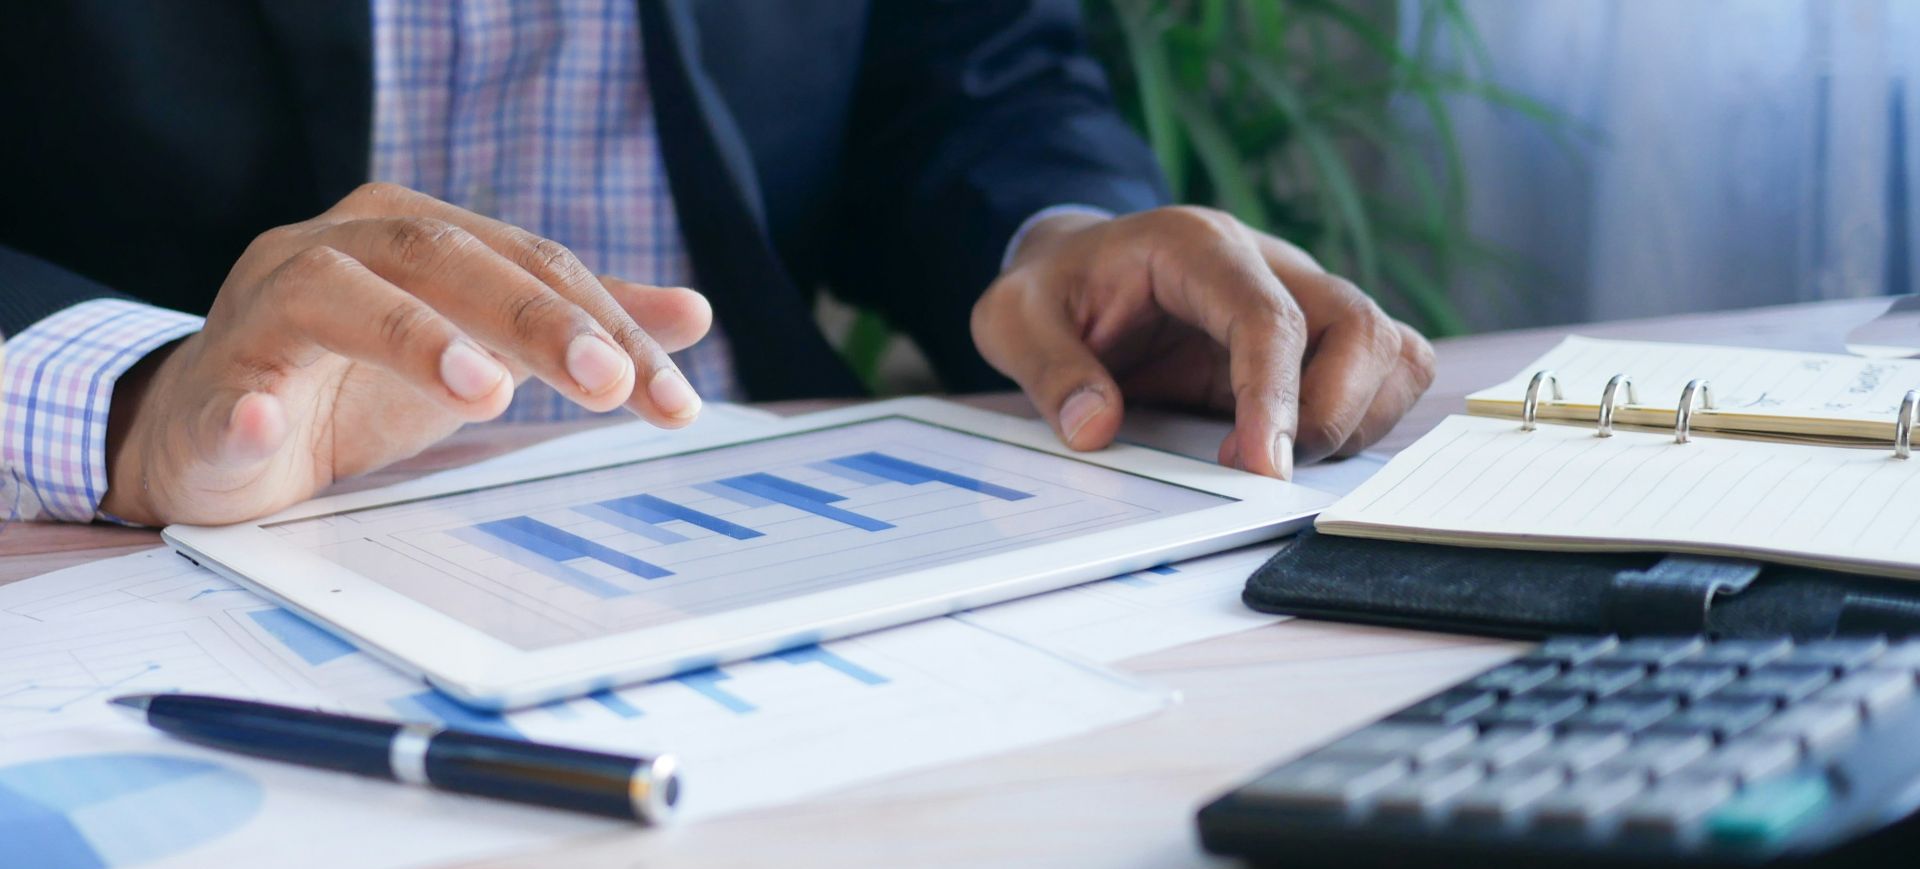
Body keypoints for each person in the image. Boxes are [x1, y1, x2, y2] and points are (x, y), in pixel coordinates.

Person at [0, 0, 1434, 528]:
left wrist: (1064, 238)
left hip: (770, 519)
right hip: (166, 559)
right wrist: (133, 402)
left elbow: (963, 69)